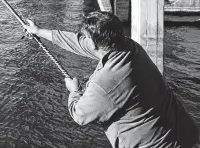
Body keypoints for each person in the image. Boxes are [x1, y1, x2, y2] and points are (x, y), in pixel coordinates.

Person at [23, 11, 199, 148]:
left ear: (94, 43)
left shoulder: (105, 83)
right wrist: (39, 31)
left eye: (87, 37)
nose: (85, 40)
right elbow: (79, 43)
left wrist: (74, 91)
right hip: (185, 135)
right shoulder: (130, 47)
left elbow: (81, 114)